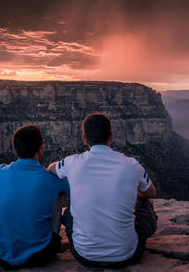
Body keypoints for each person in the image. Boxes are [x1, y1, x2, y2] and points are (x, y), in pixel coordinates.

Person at [48, 113, 157, 268]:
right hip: (128, 255)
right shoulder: (132, 164)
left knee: (69, 212)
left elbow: (51, 169)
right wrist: (135, 192)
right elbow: (151, 193)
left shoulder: (71, 162)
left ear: (84, 138)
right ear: (111, 136)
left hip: (84, 256)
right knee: (146, 204)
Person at [0, 125, 70, 269]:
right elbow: (72, 190)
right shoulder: (53, 179)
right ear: (41, 148)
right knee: (57, 196)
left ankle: (6, 239)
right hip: (40, 254)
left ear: (15, 148)